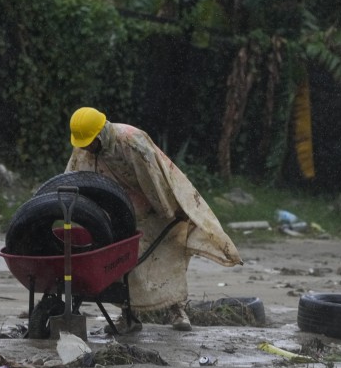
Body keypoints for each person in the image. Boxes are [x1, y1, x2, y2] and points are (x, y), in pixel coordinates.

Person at [65, 107, 243, 333]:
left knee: (167, 257)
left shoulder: (131, 141)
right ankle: (128, 317)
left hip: (155, 204)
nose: (86, 148)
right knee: (122, 264)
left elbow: (155, 178)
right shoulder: (84, 147)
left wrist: (168, 210)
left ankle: (177, 310)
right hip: (119, 209)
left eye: (89, 143)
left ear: (101, 134)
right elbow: (73, 175)